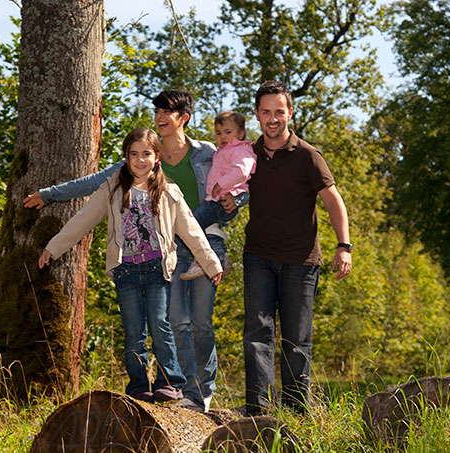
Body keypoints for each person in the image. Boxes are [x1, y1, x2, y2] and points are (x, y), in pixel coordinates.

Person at [24, 90, 239, 412]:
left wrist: (212, 259)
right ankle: (141, 386)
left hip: (167, 259)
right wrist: (53, 240)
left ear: (183, 119)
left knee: (181, 325)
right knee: (147, 329)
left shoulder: (201, 160)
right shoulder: (115, 184)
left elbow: (205, 215)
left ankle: (187, 388)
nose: (160, 116)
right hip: (128, 268)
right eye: (133, 154)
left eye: (168, 111)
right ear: (128, 158)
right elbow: (84, 216)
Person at [243, 80, 352, 415]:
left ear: (290, 112)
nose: (273, 118)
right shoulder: (248, 154)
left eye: (279, 111)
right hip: (258, 255)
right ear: (258, 115)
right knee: (257, 332)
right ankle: (258, 411)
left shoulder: (307, 155)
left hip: (301, 260)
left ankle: (294, 412)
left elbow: (334, 201)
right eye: (266, 112)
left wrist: (344, 245)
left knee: (295, 339)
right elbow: (225, 184)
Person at [180, 111, 256, 280]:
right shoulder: (224, 151)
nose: (222, 137)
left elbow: (241, 173)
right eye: (218, 133)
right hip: (214, 200)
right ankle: (219, 258)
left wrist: (221, 184)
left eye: (228, 132)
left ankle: (204, 260)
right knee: (210, 230)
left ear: (240, 133)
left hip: (222, 201)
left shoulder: (240, 151)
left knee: (191, 225)